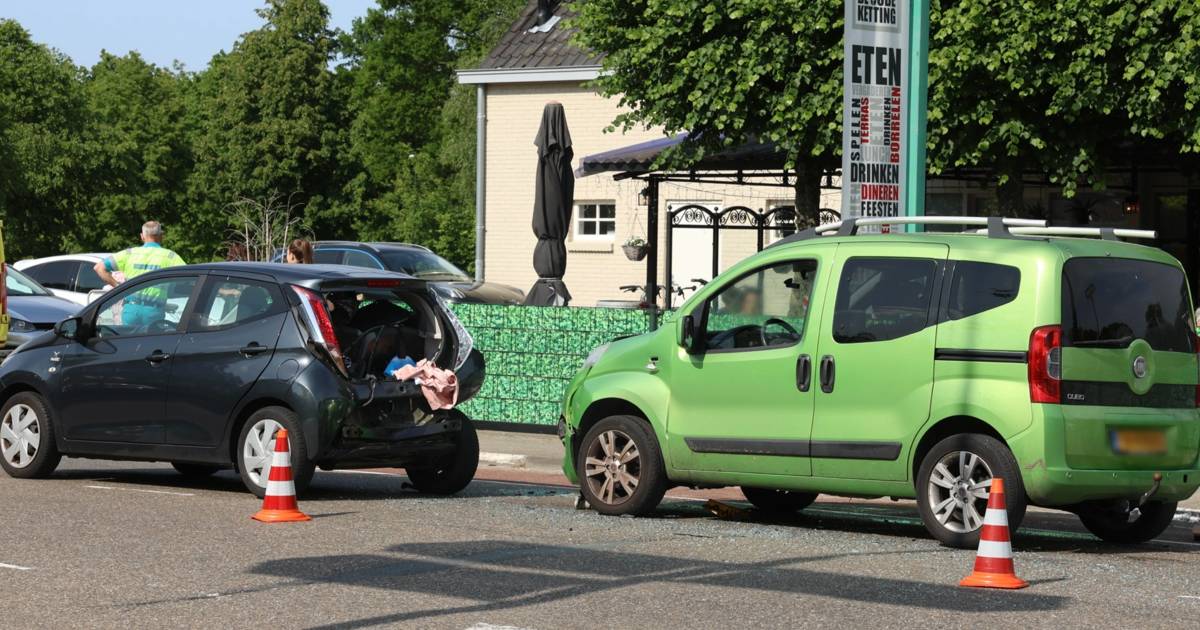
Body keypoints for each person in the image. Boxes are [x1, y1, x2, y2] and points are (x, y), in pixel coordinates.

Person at [94, 221, 187, 327]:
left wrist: (118, 287)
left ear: (142, 236)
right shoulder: (171, 256)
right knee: (151, 343)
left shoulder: (129, 254)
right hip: (153, 312)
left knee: (127, 342)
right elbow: (187, 278)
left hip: (131, 309)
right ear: (161, 236)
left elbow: (99, 268)